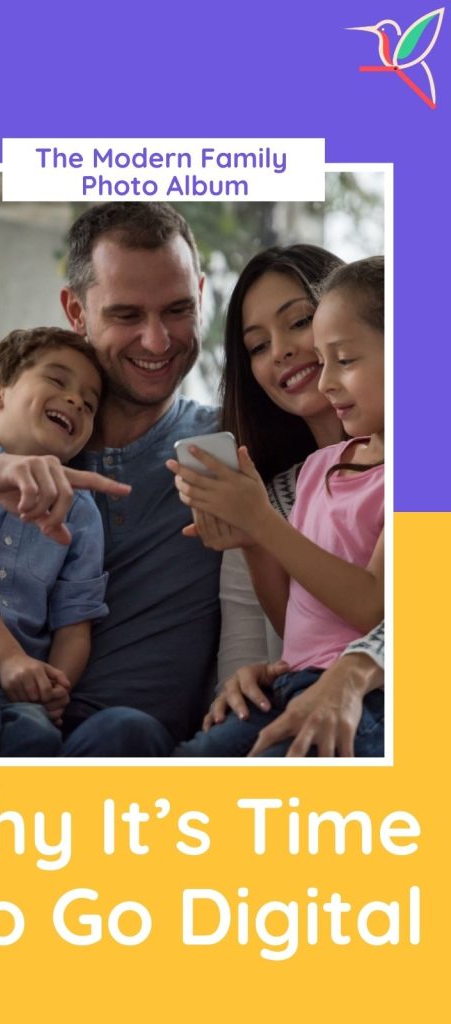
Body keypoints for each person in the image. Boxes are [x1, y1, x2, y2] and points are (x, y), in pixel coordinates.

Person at [0, 204, 221, 754]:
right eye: (125, 314)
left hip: (114, 746)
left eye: (177, 309)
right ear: (75, 309)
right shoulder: (13, 436)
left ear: (202, 295)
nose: (158, 340)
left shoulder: (225, 443)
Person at [169, 256, 385, 757]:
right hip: (294, 683)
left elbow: (379, 607)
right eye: (258, 346)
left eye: (299, 322)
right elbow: (301, 625)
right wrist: (253, 539)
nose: (286, 351)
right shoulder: (305, 477)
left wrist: (263, 524)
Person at [0, 327, 118, 755]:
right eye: (58, 381)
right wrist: (8, 658)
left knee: (36, 735)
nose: (77, 400)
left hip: (15, 680)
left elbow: (74, 622)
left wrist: (54, 685)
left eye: (90, 403)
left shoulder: (81, 512)